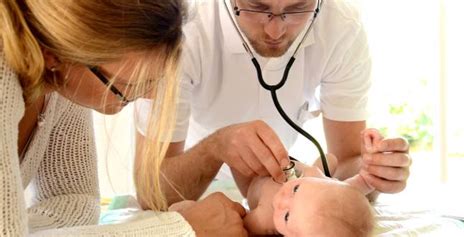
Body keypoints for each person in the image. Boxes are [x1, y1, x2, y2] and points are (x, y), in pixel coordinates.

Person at [0, 0, 247, 236]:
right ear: (56, 55)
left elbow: (76, 201)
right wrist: (180, 230)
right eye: (128, 86)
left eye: (152, 82)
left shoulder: (60, 75)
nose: (149, 94)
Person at [135, 0, 411, 208]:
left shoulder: (342, 26)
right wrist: (216, 148)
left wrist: (373, 171)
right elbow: (151, 193)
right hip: (191, 196)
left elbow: (347, 162)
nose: (276, 30)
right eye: (257, 7)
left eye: (297, 8)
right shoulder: (181, 30)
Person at [233, 129, 383, 236]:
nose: (282, 199)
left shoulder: (265, 220)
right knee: (330, 159)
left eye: (286, 217)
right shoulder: (325, 187)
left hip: (254, 179)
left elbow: (238, 226)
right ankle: (320, 170)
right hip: (306, 171)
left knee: (237, 160)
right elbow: (365, 180)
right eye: (296, 190)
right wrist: (373, 155)